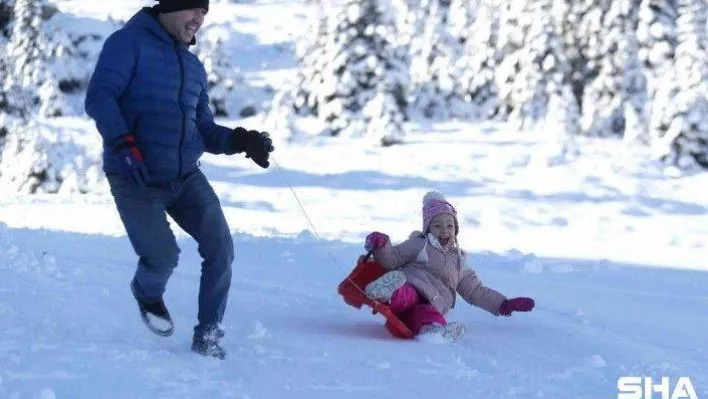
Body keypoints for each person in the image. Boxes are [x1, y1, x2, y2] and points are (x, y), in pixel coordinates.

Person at [84, 0, 274, 360]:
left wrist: (240, 140)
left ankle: (208, 334)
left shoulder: (193, 66)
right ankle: (148, 291)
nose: (199, 19)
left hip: (185, 176)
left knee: (221, 249)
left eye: (204, 13)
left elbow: (202, 129)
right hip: (134, 175)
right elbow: (100, 96)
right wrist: (123, 144)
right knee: (163, 256)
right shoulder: (127, 43)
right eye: (194, 10)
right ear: (171, 7)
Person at [363, 191, 535, 341]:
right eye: (437, 225)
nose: (444, 230)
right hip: (413, 287)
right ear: (428, 229)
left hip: (433, 304)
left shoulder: (459, 262)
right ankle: (387, 293)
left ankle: (432, 331)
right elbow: (393, 258)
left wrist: (503, 304)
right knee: (406, 294)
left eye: (450, 225)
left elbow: (476, 291)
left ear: (456, 230)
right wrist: (382, 244)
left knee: (426, 316)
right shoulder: (419, 244)